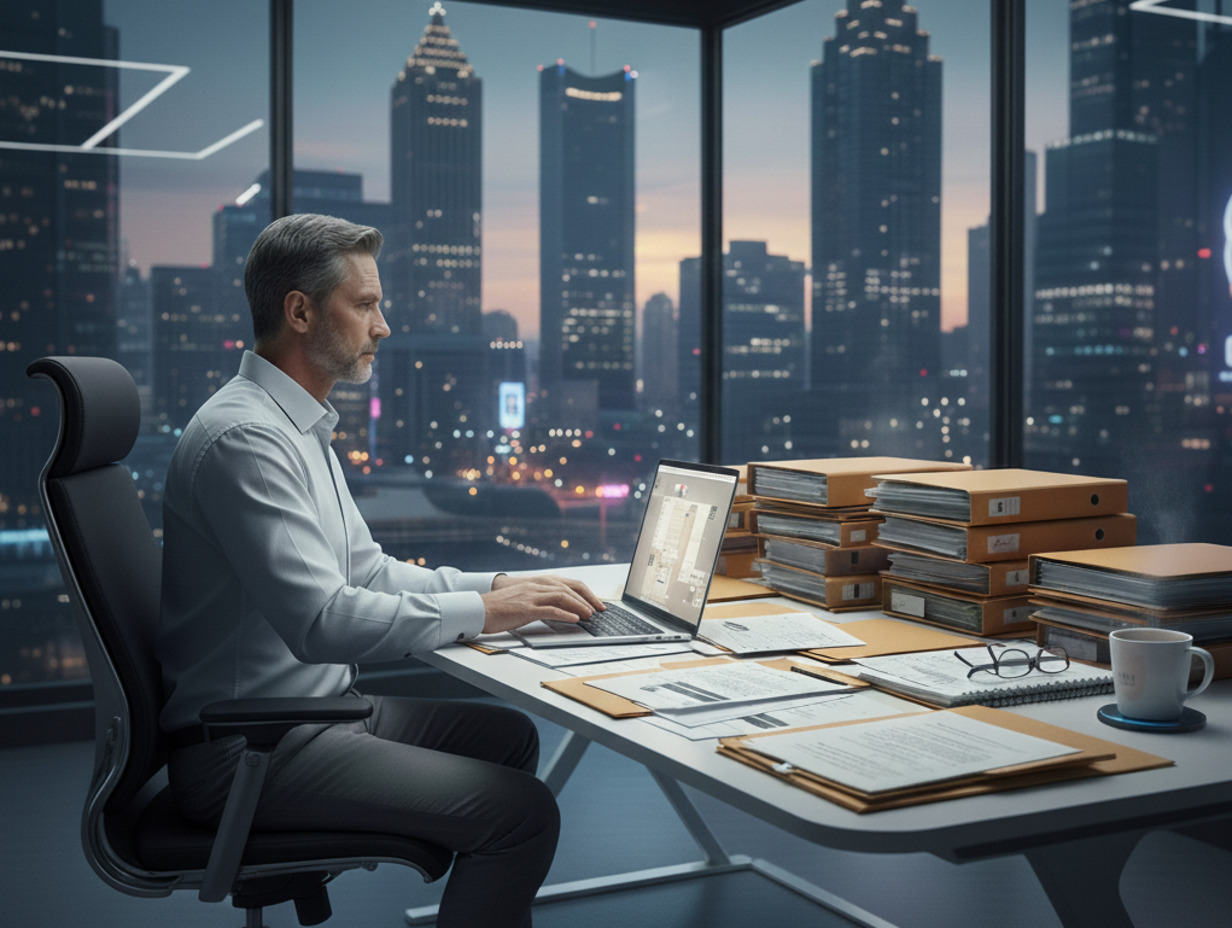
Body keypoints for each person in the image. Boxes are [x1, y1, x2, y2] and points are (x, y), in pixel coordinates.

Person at [157, 213, 604, 928]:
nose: (383, 325)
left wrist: (497, 589)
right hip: (253, 749)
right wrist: (490, 616)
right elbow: (323, 621)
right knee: (522, 814)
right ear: (299, 311)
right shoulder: (246, 439)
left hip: (309, 717)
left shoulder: (295, 426)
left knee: (509, 739)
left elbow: (366, 571)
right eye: (364, 304)